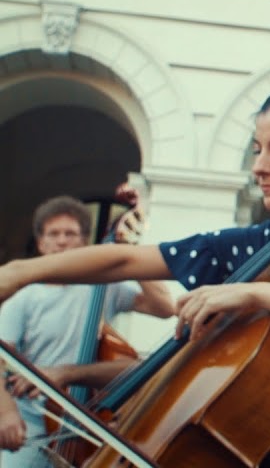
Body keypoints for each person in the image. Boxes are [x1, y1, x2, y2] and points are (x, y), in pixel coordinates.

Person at [0, 82, 270, 468]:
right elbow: (123, 262)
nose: (260, 167)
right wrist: (22, 271)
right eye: (257, 150)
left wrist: (256, 295)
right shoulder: (250, 245)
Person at [0, 194, 175, 468]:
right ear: (41, 243)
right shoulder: (24, 297)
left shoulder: (102, 287)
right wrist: (6, 413)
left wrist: (133, 252)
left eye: (70, 234)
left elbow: (164, 307)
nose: (61, 241)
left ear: (84, 242)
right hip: (31, 422)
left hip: (89, 423)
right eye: (53, 234)